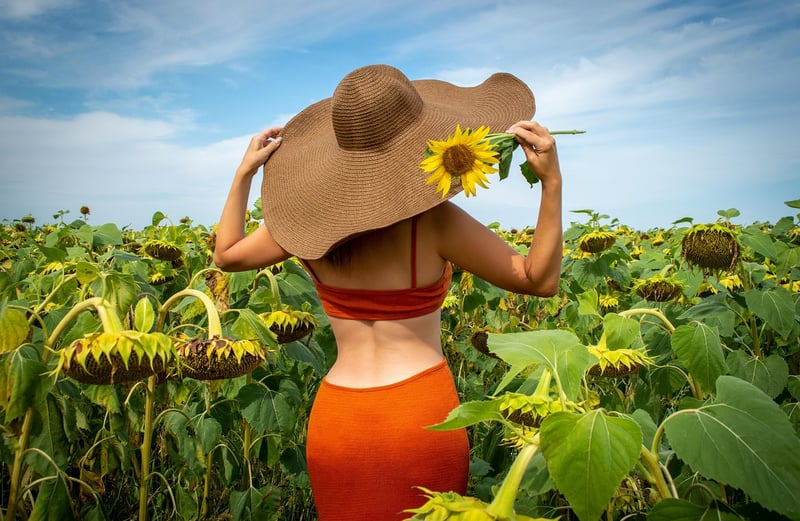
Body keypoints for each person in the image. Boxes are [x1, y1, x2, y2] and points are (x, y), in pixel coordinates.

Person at [213, 64, 563, 520]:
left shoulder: (304, 225)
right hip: (419, 417)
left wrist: (243, 173)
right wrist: (551, 184)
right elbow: (539, 279)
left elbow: (227, 254)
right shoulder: (433, 222)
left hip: (337, 422)